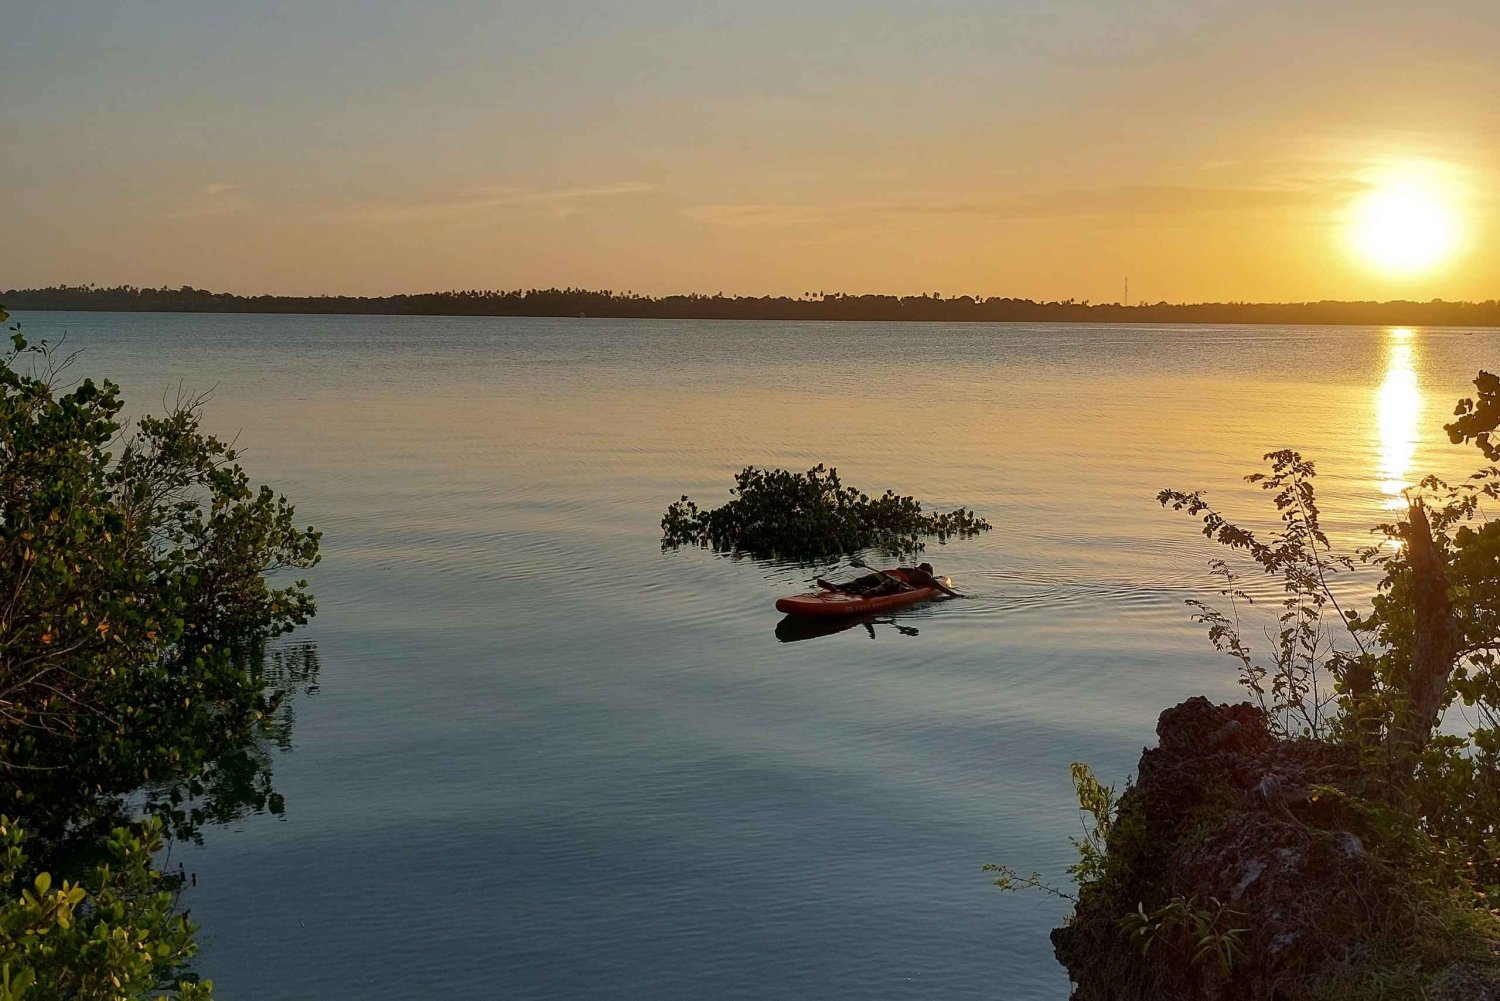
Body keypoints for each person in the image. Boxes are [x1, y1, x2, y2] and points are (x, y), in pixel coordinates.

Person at [816, 562, 936, 596]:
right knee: (862, 581)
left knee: (861, 581)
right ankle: (872, 592)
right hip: (893, 577)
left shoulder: (913, 570)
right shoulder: (921, 574)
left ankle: (838, 587)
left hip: (886, 575)